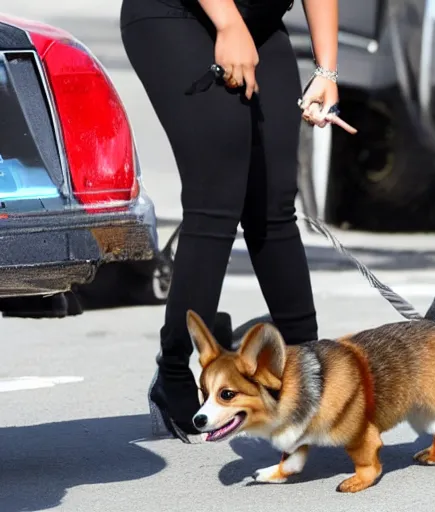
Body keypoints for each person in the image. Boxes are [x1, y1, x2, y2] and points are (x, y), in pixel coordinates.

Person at [120, 0, 357, 444]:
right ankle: (174, 373)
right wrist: (227, 22)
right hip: (177, 14)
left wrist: (327, 71)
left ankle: (309, 369)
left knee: (272, 203)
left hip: (261, 21)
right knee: (217, 199)